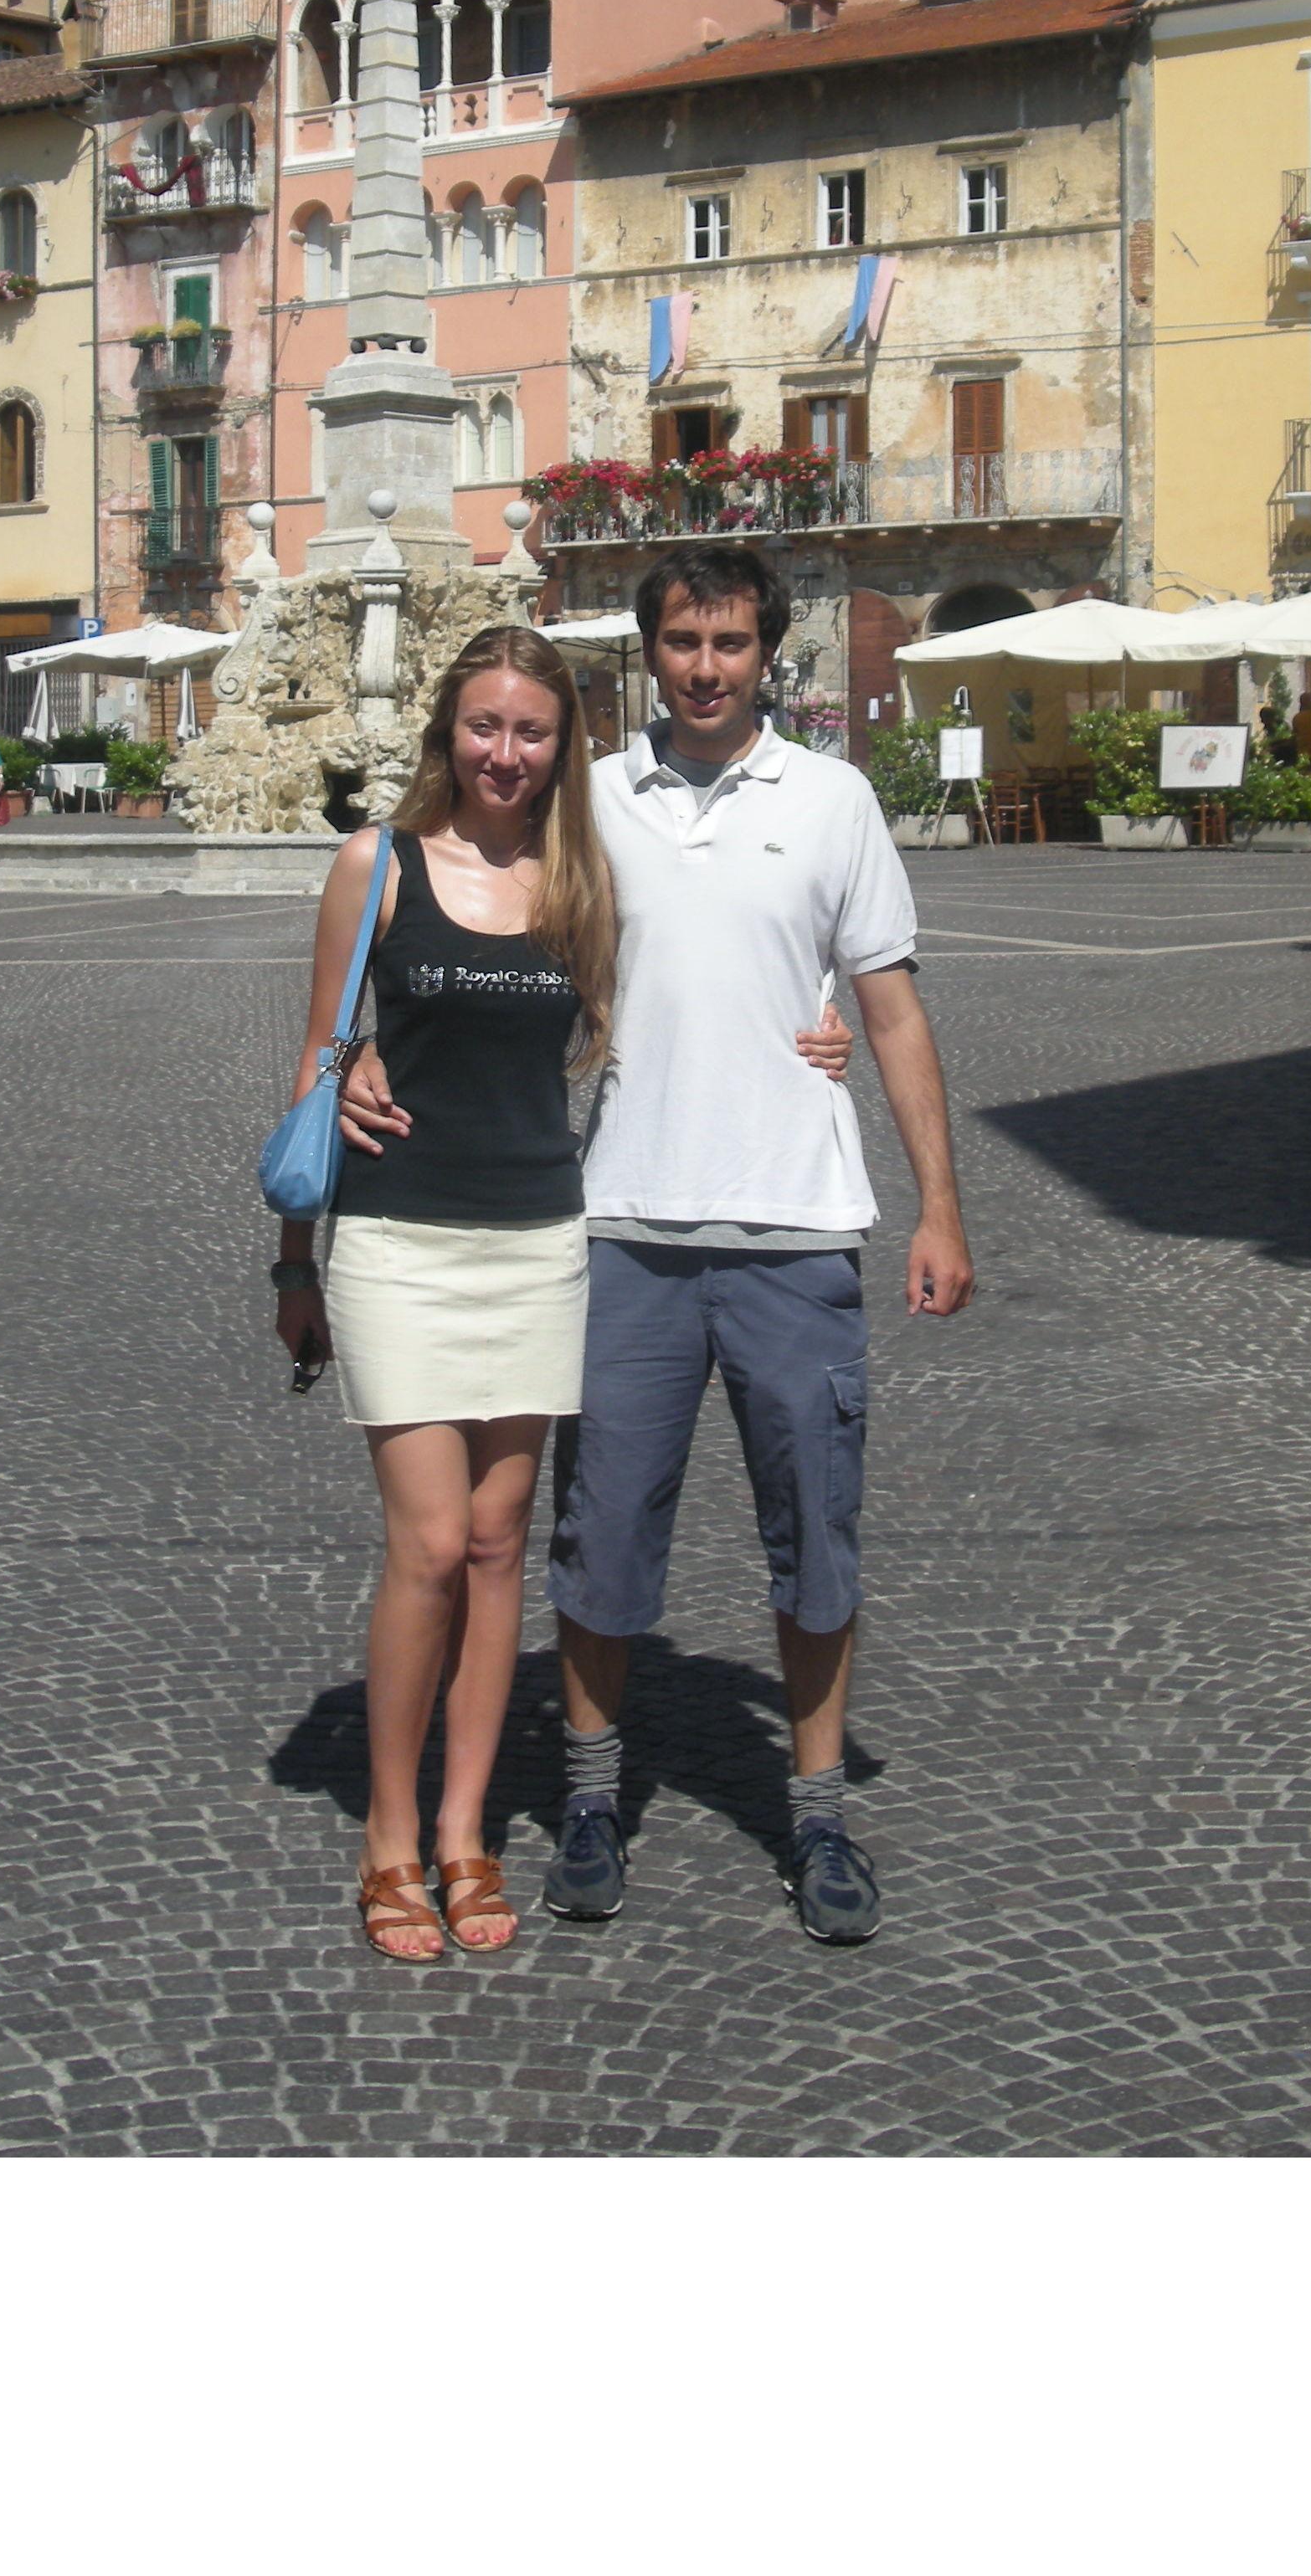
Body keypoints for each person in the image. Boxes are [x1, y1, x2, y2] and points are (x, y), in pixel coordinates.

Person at [344, 544, 972, 1947]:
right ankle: (584, 1799)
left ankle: (815, 1814)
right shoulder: (589, 807)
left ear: (769, 655)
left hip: (796, 1227)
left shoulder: (836, 800)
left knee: (816, 1539)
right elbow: (462, 933)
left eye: (731, 643)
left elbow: (891, 1009)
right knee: (600, 1541)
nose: (706, 667)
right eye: (683, 641)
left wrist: (937, 1205)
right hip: (617, 1227)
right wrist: (356, 1059)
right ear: (649, 653)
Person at [278, 623, 851, 1964]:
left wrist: (813, 1032)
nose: (506, 754)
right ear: (446, 731)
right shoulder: (376, 865)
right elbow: (314, 1059)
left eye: (532, 732)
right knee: (425, 1545)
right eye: (484, 726)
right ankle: (388, 1838)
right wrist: (291, 1259)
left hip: (542, 1237)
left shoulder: (582, 880)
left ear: (562, 748)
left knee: (496, 1549)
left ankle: (471, 1832)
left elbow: (717, 966)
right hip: (401, 1242)